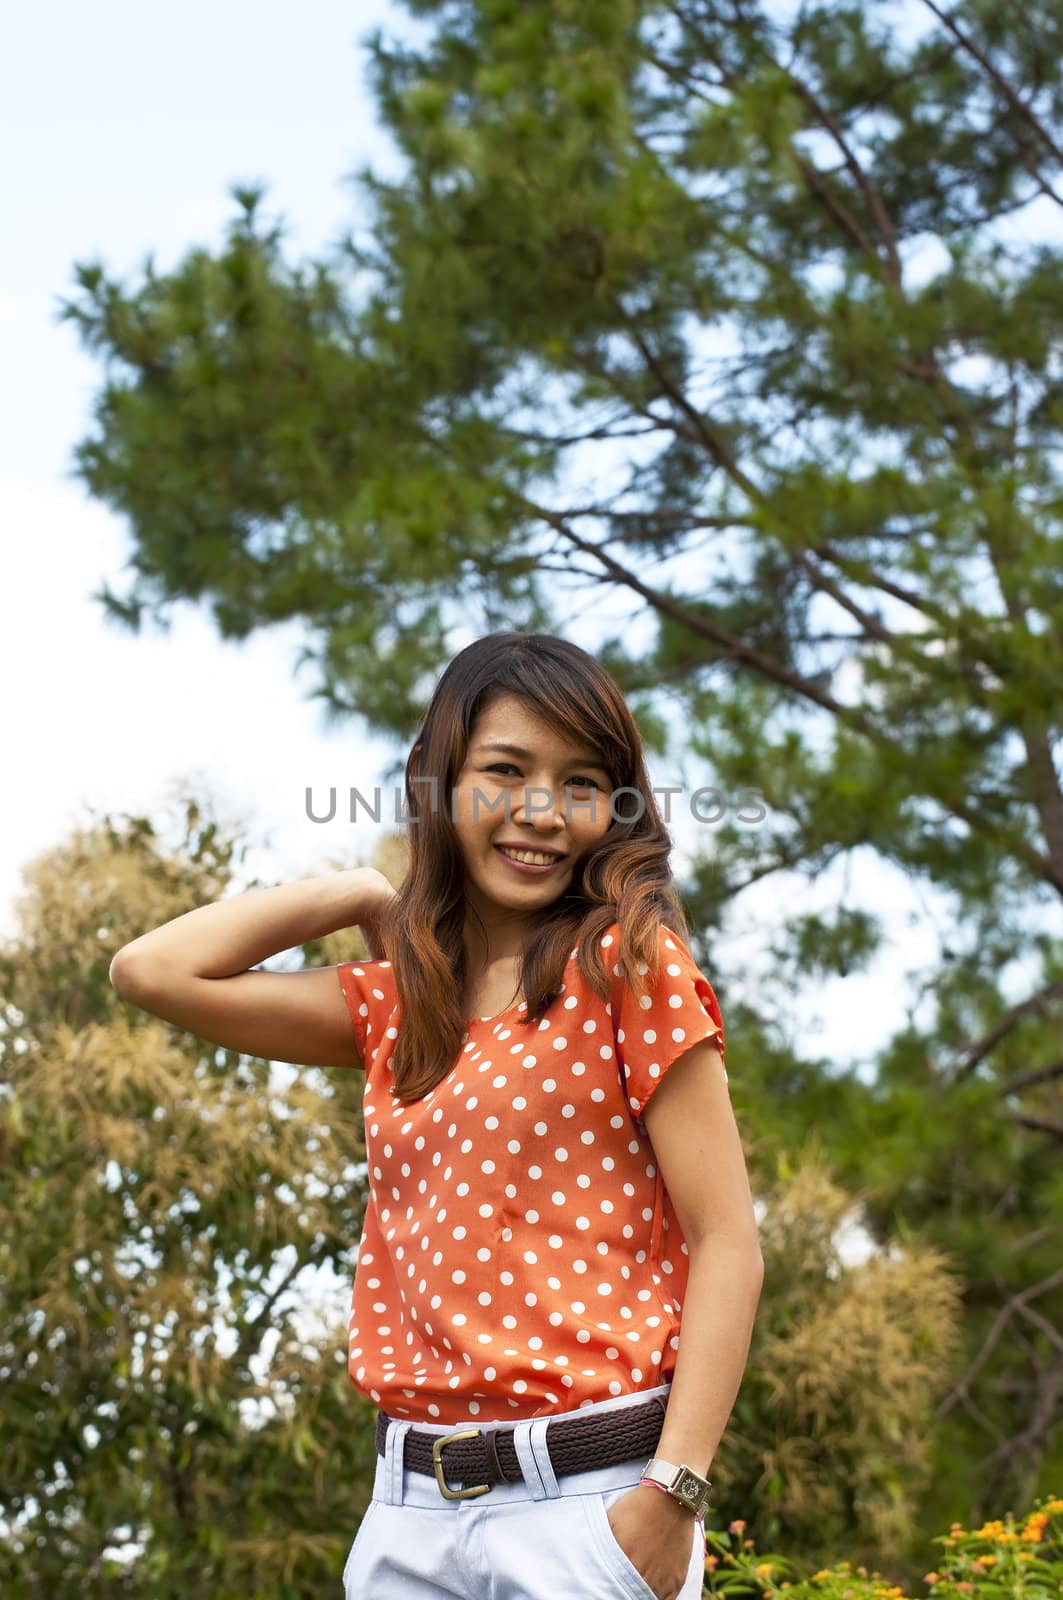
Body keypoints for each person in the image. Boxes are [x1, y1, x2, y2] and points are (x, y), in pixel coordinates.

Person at [109, 631, 764, 1600]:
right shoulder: (396, 1007)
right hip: (410, 1513)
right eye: (504, 771)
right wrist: (362, 893)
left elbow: (728, 1243)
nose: (540, 811)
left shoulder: (627, 966)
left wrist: (671, 1493)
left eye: (580, 782)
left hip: (590, 1505)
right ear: (439, 783)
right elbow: (151, 970)